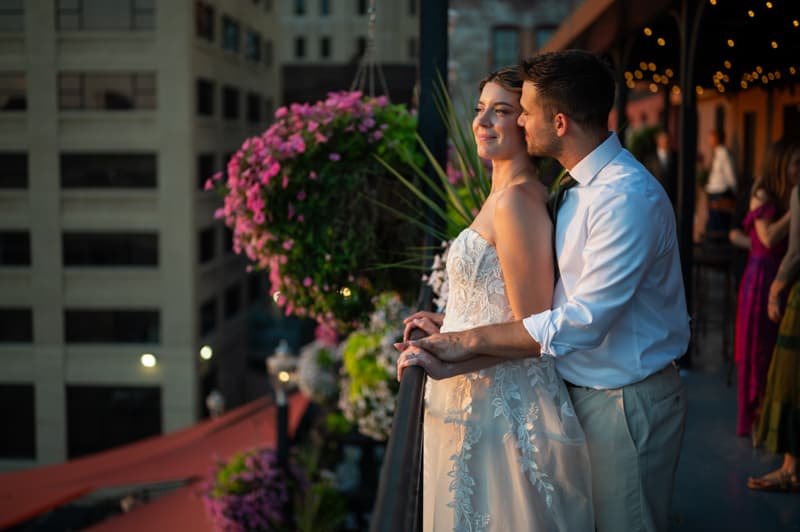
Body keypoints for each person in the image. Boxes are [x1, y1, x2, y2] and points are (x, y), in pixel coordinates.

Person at [397, 50, 689, 532]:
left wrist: (462, 341)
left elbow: (582, 321)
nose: (514, 122)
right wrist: (456, 322)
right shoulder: (575, 189)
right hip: (584, 392)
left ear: (557, 121)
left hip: (624, 401)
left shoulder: (624, 197)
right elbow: (543, 299)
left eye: (520, 111)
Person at [398, 66, 594, 531]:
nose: (483, 121)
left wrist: (448, 356)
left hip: (499, 414)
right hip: (470, 399)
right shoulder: (502, 196)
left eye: (502, 111)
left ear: (526, 123)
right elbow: (502, 302)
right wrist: (448, 323)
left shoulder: (517, 202)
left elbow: (532, 330)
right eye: (480, 109)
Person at [733, 138, 796, 438]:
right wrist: (795, 209)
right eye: (795, 163)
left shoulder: (786, 194)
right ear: (781, 164)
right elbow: (768, 237)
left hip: (783, 275)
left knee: (777, 353)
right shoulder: (762, 193)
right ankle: (757, 420)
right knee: (758, 350)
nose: (799, 169)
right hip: (761, 281)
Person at [747, 142, 800, 493]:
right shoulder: (766, 194)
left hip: (780, 281)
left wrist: (777, 288)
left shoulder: (795, 194)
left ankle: (790, 467)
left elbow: (795, 253)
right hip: (762, 275)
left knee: (787, 374)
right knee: (760, 356)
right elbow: (766, 237)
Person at [705, 129, 738, 239]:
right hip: (713, 191)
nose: (709, 141)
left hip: (720, 192)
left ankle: (719, 247)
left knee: (719, 222)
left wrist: (734, 191)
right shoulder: (715, 153)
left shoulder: (724, 153)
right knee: (713, 220)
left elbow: (730, 173)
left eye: (712, 138)